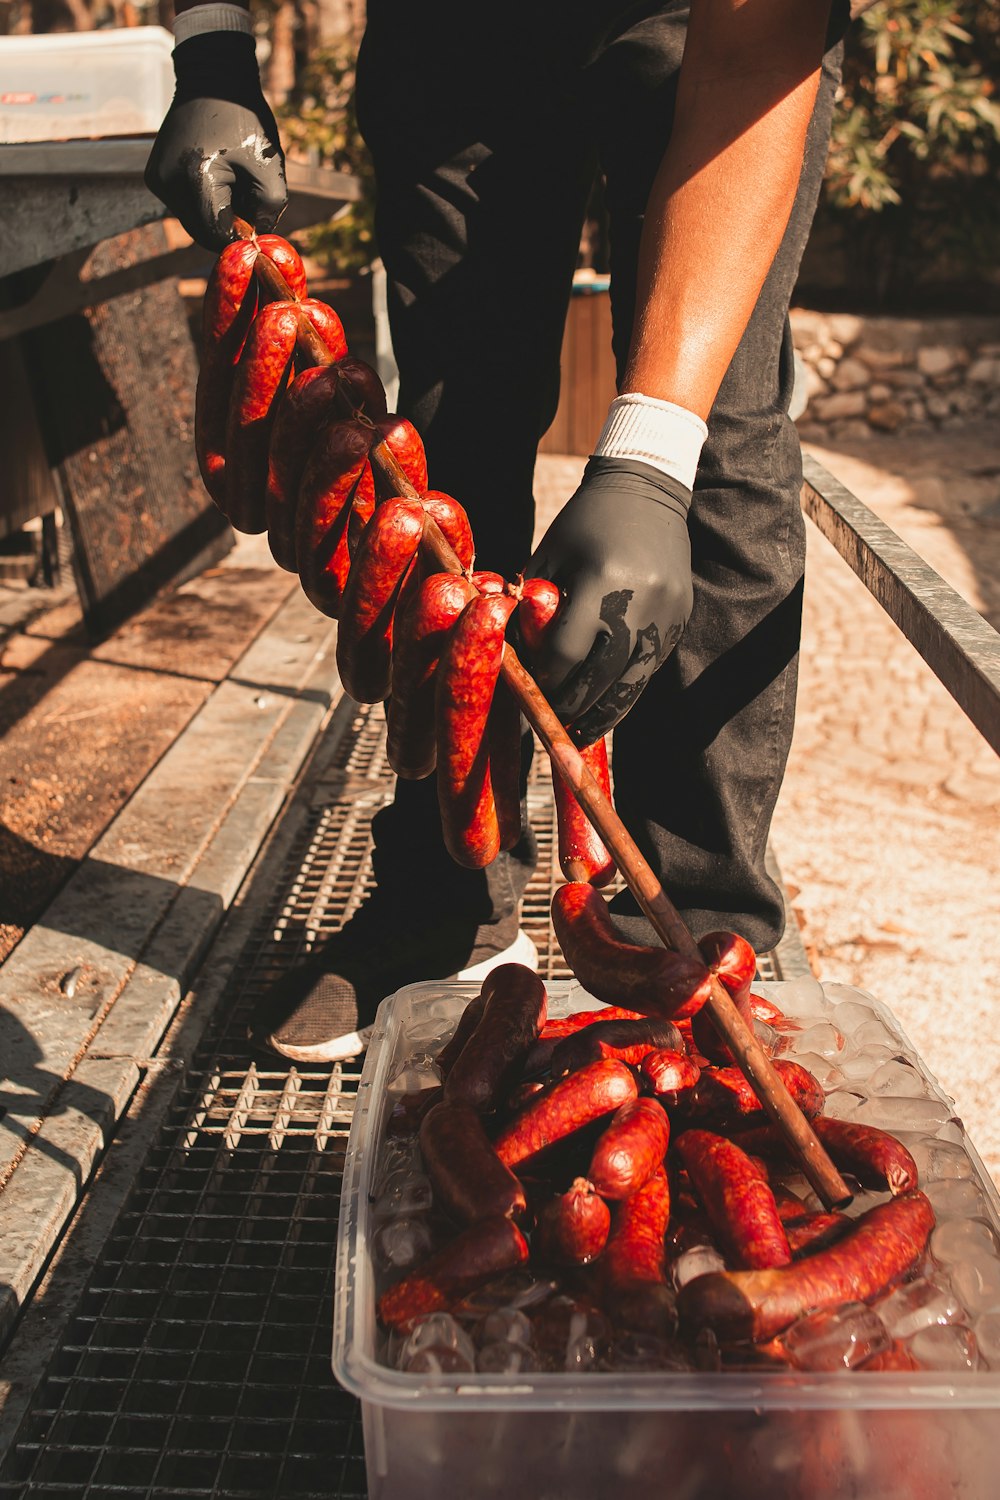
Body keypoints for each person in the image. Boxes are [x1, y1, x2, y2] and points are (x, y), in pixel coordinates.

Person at [147, 0, 859, 1064]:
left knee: (715, 435)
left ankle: (708, 927)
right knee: (446, 425)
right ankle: (444, 901)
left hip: (701, 30)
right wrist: (209, 40)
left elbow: (756, 52)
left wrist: (650, 455)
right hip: (453, 32)